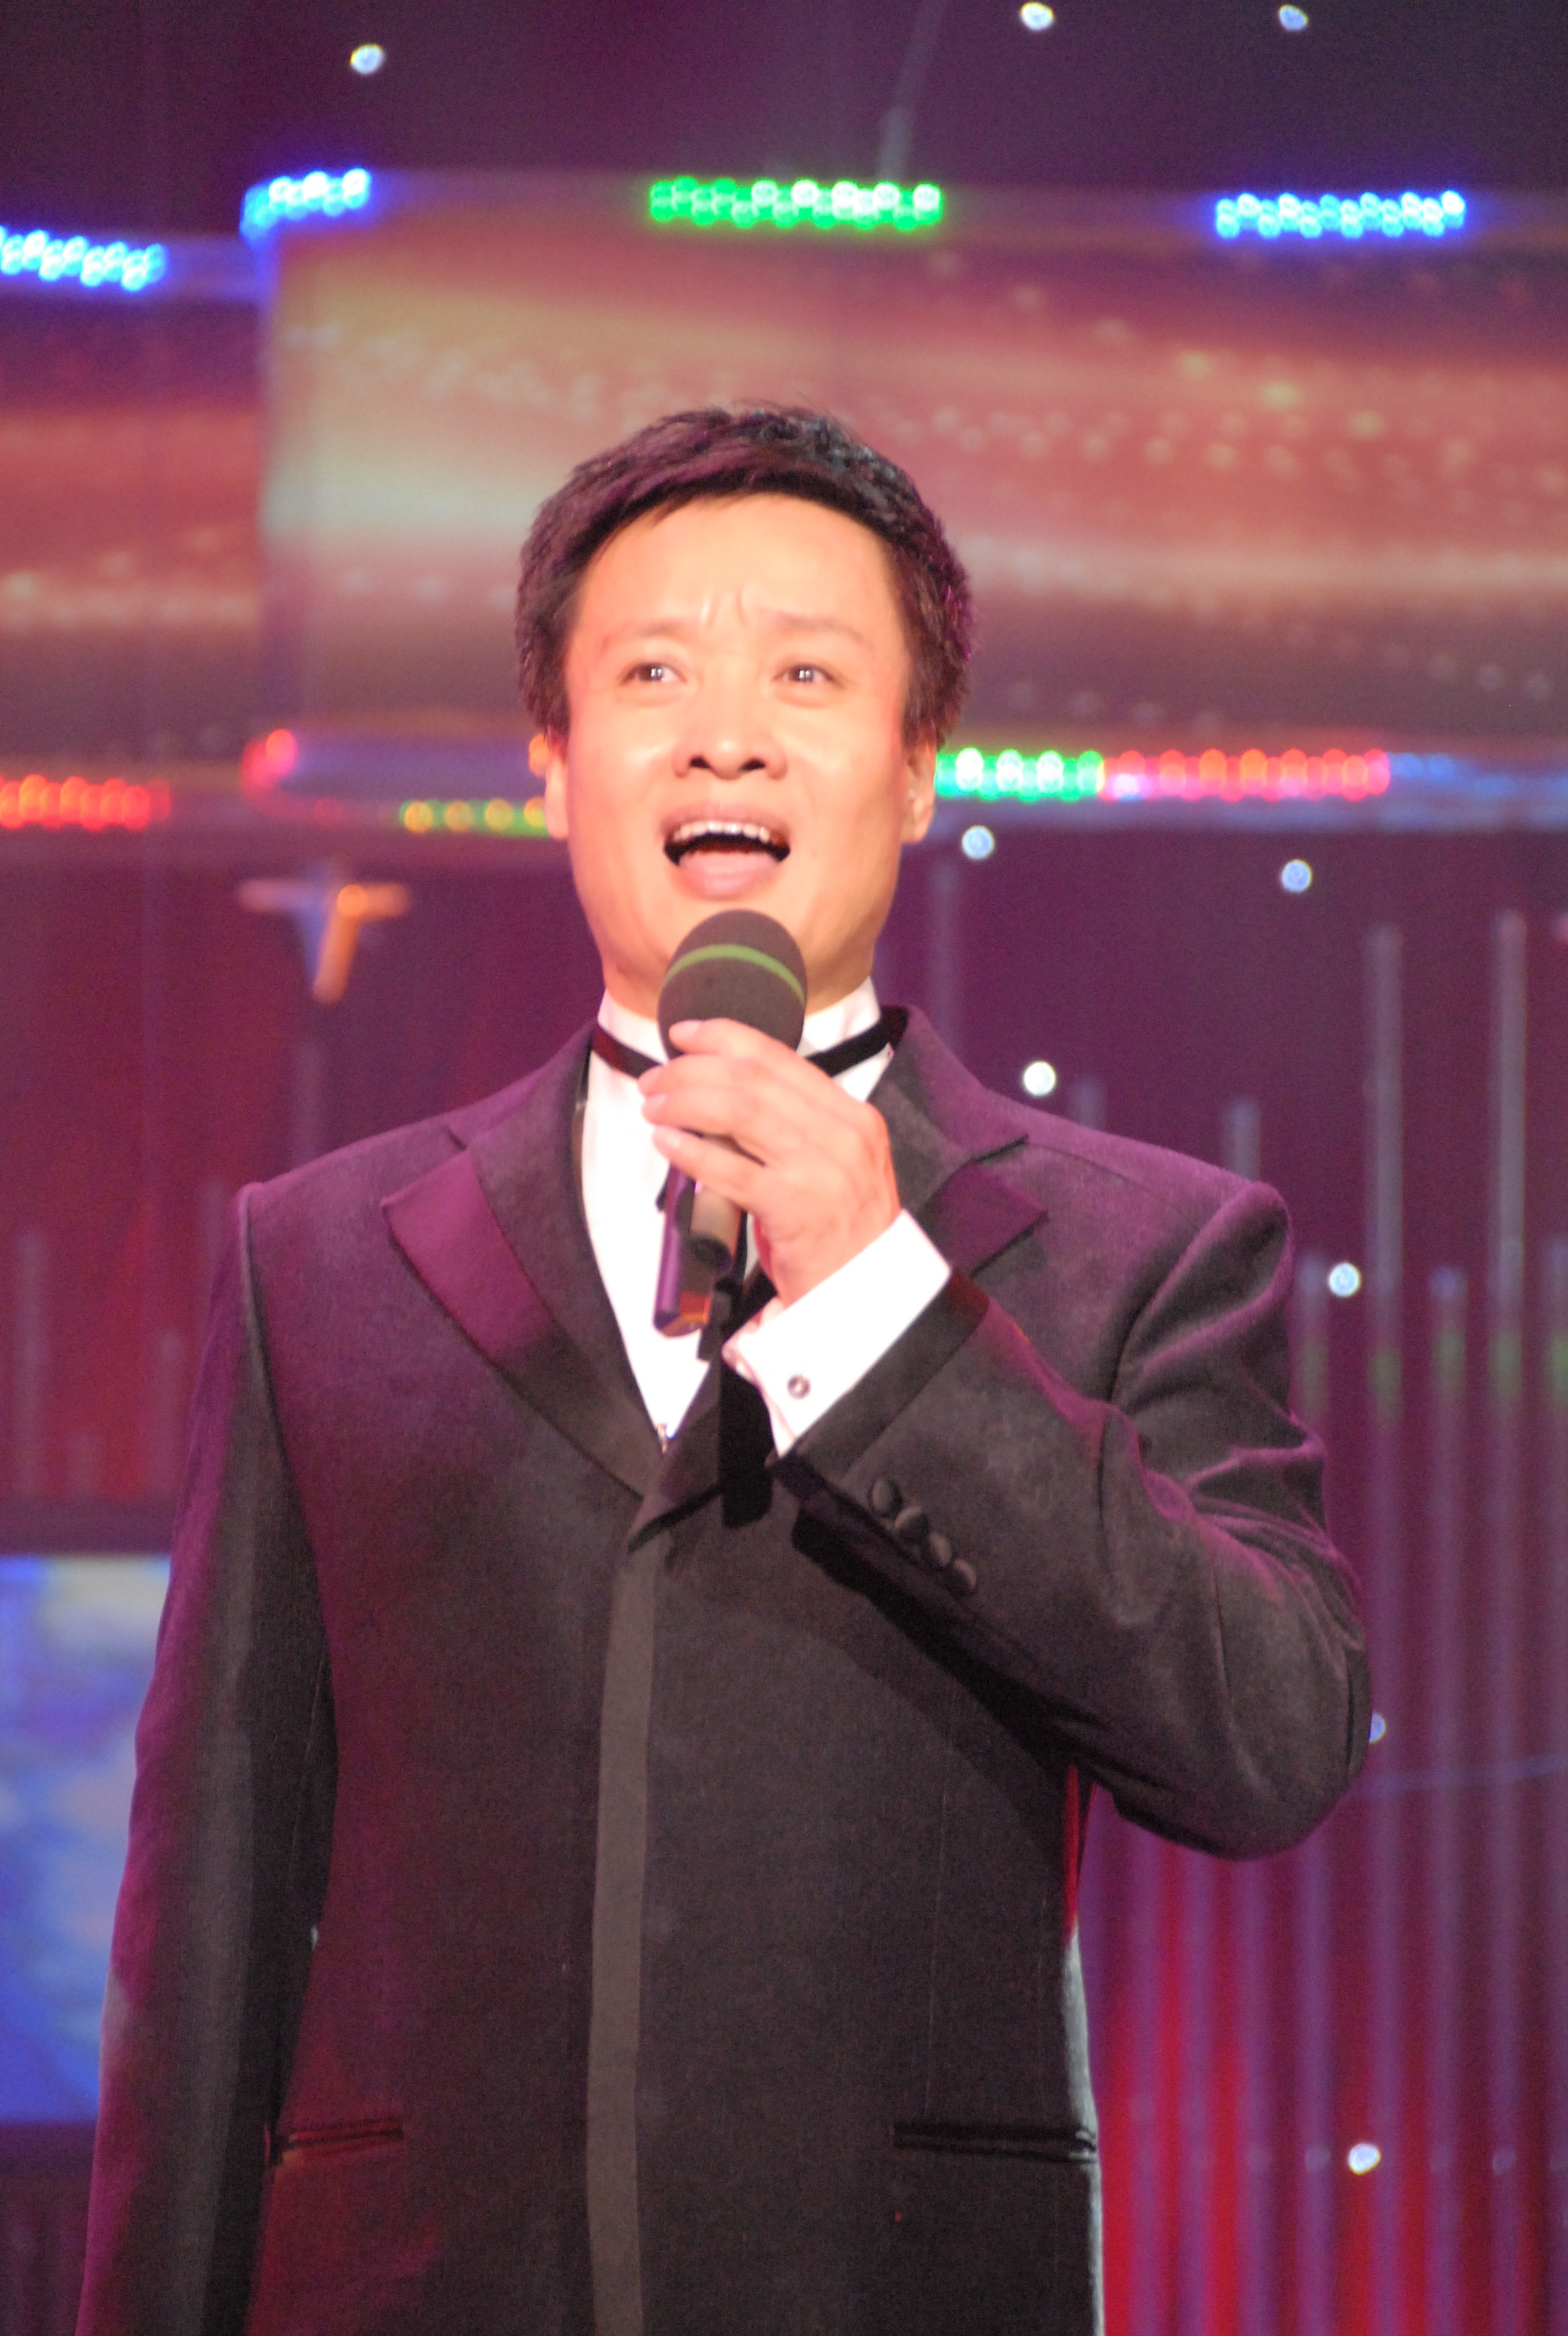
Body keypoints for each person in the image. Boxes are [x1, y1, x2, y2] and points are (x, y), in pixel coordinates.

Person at [77, 407, 1369, 2336]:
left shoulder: (1148, 1247)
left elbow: (1268, 1740)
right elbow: (212, 1915)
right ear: (553, 762)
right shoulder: (319, 1258)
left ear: (918, 768)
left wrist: (888, 1306)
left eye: (807, 676)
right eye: (655, 673)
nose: (728, 736)